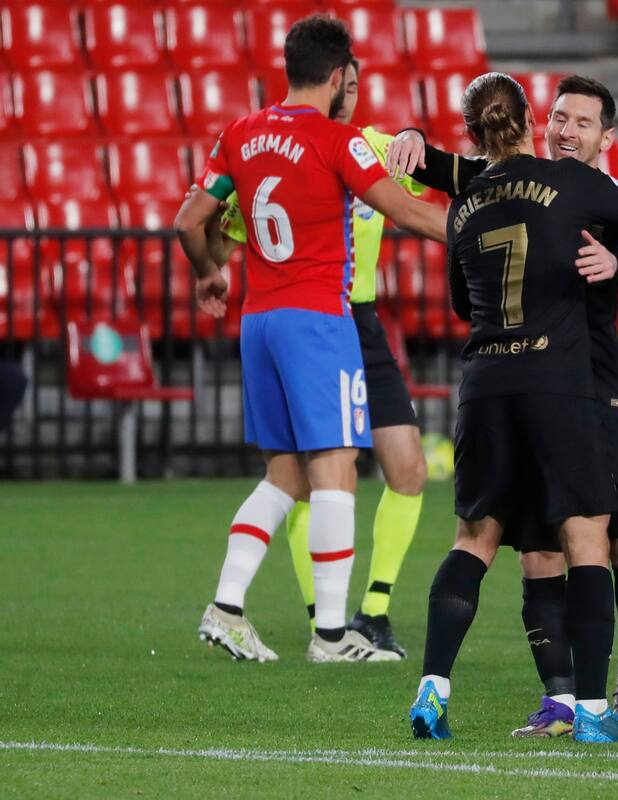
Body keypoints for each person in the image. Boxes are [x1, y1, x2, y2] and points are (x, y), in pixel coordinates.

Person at [403, 71, 618, 743]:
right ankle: (571, 703)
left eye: (582, 122)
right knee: (550, 552)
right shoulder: (561, 184)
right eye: (559, 117)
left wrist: (617, 269)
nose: (567, 129)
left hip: (551, 390)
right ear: (538, 122)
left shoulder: (570, 196)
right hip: (556, 388)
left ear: (605, 138)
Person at [174, 14, 447, 663]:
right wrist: (489, 230)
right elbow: (407, 211)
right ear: (338, 75)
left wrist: (209, 274)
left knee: (285, 474)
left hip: (260, 321)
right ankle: (331, 636)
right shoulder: (338, 140)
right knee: (335, 471)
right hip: (320, 321)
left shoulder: (240, 132)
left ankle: (226, 607)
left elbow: (189, 221)